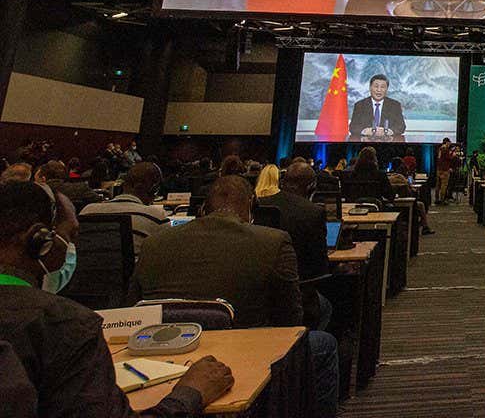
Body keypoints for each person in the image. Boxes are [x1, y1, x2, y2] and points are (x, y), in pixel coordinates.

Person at [0, 181, 235, 416]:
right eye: (71, 235)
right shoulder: (65, 327)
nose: (74, 247)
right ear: (39, 241)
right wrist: (190, 392)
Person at [130, 176, 340, 417]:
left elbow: (134, 311)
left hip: (160, 363)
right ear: (252, 206)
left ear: (202, 208)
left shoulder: (155, 243)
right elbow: (291, 324)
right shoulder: (274, 242)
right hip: (248, 359)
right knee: (324, 343)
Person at [257, 161, 330, 329]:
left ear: (282, 182)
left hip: (259, 291)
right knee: (328, 307)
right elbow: (320, 267)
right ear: (312, 186)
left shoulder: (260, 205)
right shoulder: (314, 212)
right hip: (298, 293)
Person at [80, 162, 169, 255]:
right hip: (135, 269)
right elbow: (164, 258)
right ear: (153, 189)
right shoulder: (157, 217)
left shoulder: (87, 211)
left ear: (124, 184)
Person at [348, 74, 407, 139]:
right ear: (370, 87)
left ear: (387, 89)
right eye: (376, 86)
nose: (379, 90)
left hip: (388, 144)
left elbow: (401, 126)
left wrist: (389, 131)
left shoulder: (395, 105)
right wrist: (365, 131)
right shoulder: (360, 105)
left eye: (382, 87)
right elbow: (353, 127)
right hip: (366, 144)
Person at [435, 138, 455, 204]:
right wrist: (453, 154)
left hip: (439, 169)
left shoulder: (440, 149)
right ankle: (442, 199)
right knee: (444, 185)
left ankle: (437, 199)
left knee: (438, 185)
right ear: (447, 142)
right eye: (449, 142)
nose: (450, 144)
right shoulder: (445, 149)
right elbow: (449, 158)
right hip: (445, 170)